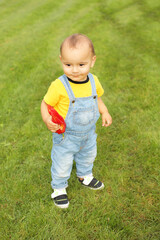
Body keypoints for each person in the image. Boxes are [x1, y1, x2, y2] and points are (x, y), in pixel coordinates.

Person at [41, 34, 112, 208]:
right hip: (66, 136)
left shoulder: (94, 81)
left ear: (92, 61)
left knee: (88, 155)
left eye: (81, 64)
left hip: (88, 134)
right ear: (61, 60)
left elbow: (97, 99)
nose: (74, 70)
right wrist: (47, 119)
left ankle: (85, 175)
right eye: (68, 65)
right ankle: (59, 188)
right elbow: (45, 103)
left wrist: (105, 112)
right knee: (62, 161)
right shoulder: (59, 85)